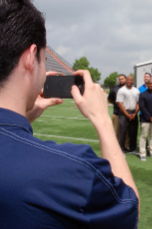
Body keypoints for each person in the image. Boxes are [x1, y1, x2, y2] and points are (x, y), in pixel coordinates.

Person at [0, 1, 139, 228]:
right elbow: (130, 209)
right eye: (44, 61)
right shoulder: (69, 169)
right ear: (30, 57)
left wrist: (23, 119)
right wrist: (102, 120)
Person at [117, 75, 140, 155]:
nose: (129, 81)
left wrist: (135, 113)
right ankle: (122, 150)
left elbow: (138, 103)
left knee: (133, 132)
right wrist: (127, 115)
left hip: (134, 113)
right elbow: (120, 104)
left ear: (133, 81)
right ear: (126, 80)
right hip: (124, 113)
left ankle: (132, 149)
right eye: (128, 80)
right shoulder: (121, 90)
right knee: (123, 132)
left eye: (131, 80)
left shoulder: (136, 91)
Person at [108, 74, 130, 148]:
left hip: (127, 113)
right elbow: (110, 99)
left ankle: (126, 146)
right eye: (120, 79)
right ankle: (117, 146)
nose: (121, 80)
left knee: (126, 131)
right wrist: (116, 104)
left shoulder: (129, 88)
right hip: (117, 113)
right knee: (117, 131)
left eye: (122, 79)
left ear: (126, 79)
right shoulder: (115, 89)